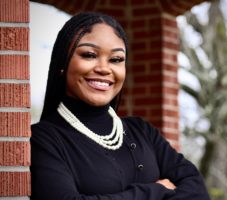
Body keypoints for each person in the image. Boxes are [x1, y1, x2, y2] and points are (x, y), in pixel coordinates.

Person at [30, 12, 210, 200]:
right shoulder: (44, 139)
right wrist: (157, 191)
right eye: (89, 55)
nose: (104, 68)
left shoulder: (142, 131)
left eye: (116, 59)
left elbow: (197, 191)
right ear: (62, 63)